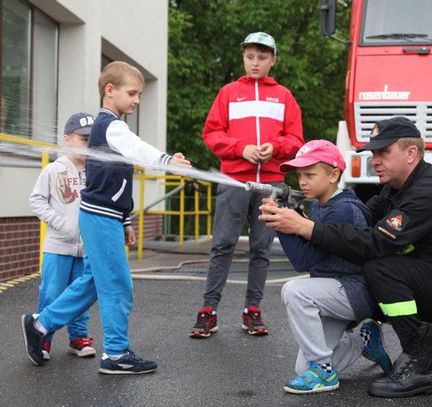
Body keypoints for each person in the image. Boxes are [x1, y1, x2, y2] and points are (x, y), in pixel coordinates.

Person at [260, 117, 432, 398]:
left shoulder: (426, 193)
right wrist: (300, 212)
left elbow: (373, 243)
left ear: (411, 153)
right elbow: (360, 219)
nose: (375, 160)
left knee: (381, 269)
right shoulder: (400, 187)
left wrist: (305, 227)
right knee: (377, 277)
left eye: (384, 152)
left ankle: (419, 365)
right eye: (373, 153)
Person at [21, 61, 191, 374]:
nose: (137, 100)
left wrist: (125, 220)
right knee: (117, 285)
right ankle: (115, 354)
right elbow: (137, 148)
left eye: (140, 94)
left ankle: (41, 324)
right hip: (100, 218)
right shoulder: (112, 125)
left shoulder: (110, 128)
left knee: (95, 282)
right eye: (132, 93)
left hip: (105, 218)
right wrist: (166, 161)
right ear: (109, 91)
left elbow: (116, 182)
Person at [191, 32, 304, 338]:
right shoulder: (228, 92)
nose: (256, 63)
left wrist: (275, 148)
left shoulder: (284, 96)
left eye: (262, 57)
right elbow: (212, 133)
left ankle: (252, 310)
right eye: (250, 56)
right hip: (234, 178)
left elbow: (296, 141)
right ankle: (208, 310)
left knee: (261, 248)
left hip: (270, 183)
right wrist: (240, 149)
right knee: (223, 244)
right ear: (243, 57)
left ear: (273, 60)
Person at [265, 139, 392, 394]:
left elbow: (303, 261)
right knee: (303, 368)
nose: (302, 182)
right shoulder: (322, 204)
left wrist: (284, 225)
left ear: (334, 174)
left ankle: (323, 371)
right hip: (333, 292)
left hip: (354, 292)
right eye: (300, 175)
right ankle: (365, 339)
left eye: (310, 174)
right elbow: (313, 247)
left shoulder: (343, 209)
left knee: (294, 291)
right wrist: (294, 216)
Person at [29, 112, 96, 361]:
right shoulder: (53, 170)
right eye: (83, 138)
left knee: (79, 294)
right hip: (58, 246)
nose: (88, 144)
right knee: (51, 292)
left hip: (86, 248)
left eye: (92, 139)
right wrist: (59, 224)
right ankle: (42, 338)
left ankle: (78, 338)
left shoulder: (95, 172)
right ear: (67, 139)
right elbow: (36, 200)